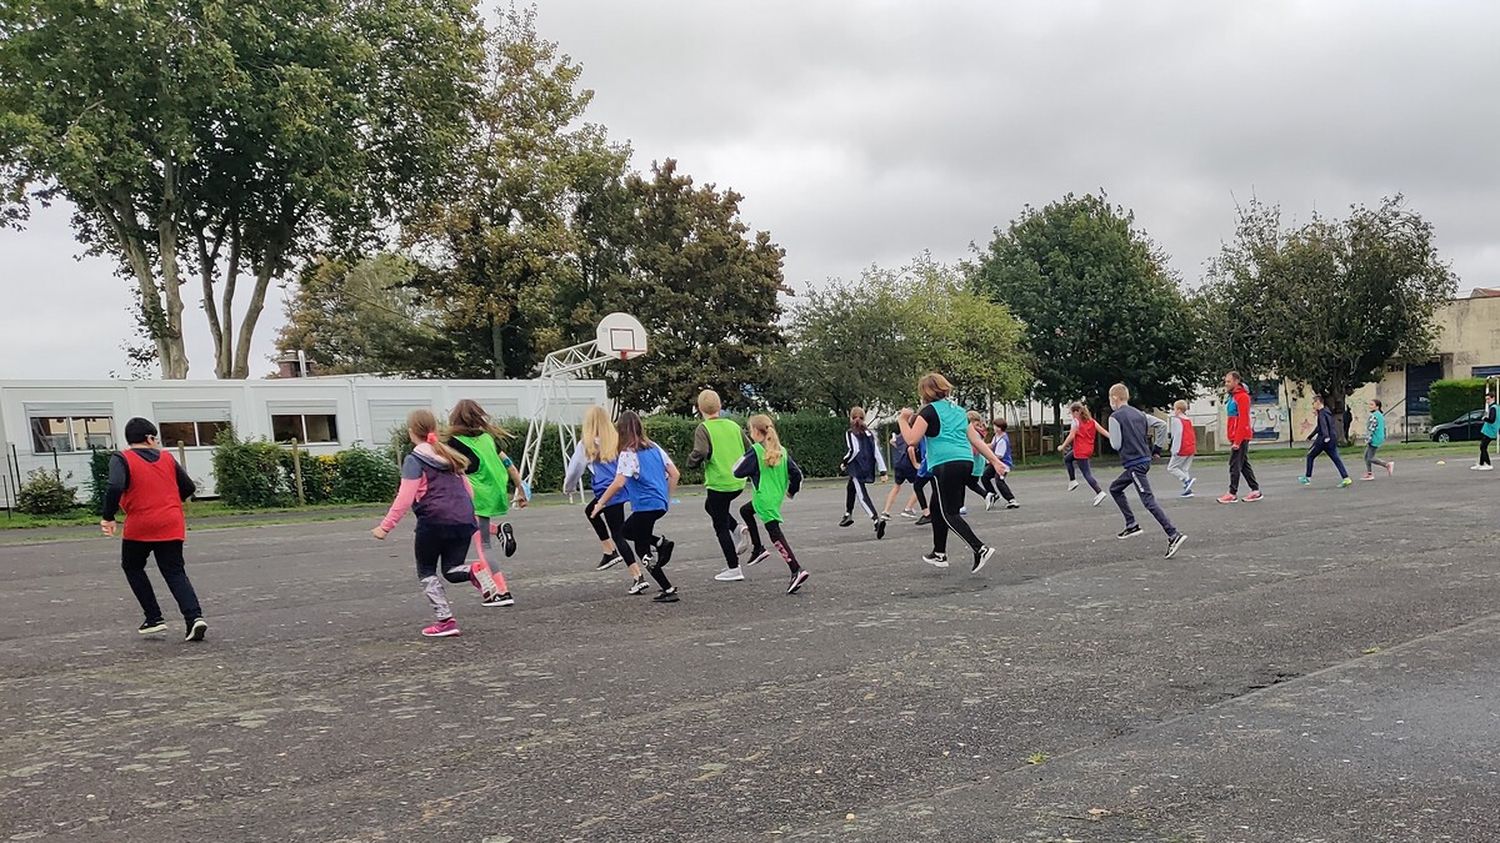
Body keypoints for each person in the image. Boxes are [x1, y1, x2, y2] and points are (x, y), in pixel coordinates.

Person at [373, 409, 504, 639]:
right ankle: (475, 570)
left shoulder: (415, 460)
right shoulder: (449, 456)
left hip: (434, 521)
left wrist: (385, 526)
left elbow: (405, 497)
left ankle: (446, 621)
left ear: (411, 432)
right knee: (452, 570)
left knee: (426, 571)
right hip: (463, 520)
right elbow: (469, 492)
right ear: (434, 429)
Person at [100, 417, 207, 642]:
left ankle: (154, 618)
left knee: (132, 566)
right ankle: (194, 618)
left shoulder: (122, 458)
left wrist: (108, 516)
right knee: (174, 571)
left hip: (141, 522)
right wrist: (167, 502)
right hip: (171, 521)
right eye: (156, 438)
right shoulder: (167, 458)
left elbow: (115, 485)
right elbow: (188, 486)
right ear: (149, 438)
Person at [896, 373, 1007, 573]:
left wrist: (903, 420)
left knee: (949, 513)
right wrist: (994, 460)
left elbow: (911, 439)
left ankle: (979, 548)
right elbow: (976, 440)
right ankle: (939, 553)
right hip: (965, 462)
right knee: (936, 506)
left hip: (945, 463)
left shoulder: (928, 412)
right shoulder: (959, 411)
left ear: (925, 392)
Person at [592, 411, 680, 602]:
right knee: (627, 531)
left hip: (644, 505)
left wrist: (600, 503)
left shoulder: (628, 453)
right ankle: (659, 543)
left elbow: (618, 482)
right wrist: (667, 497)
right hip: (659, 503)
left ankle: (668, 588)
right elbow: (674, 473)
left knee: (641, 549)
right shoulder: (654, 447)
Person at [564, 405, 650, 594]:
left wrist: (568, 488)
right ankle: (608, 551)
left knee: (618, 533)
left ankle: (636, 575)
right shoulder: (617, 440)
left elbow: (574, 469)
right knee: (591, 512)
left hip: (607, 491)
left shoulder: (586, 444)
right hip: (620, 488)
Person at [447, 399, 523, 607]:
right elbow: (508, 464)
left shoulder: (453, 442)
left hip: (475, 494)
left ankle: (502, 591)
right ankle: (499, 529)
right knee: (471, 525)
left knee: (483, 545)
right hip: (495, 490)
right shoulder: (488, 438)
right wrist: (521, 488)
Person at [1102, 385, 1188, 558]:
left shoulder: (1115, 417)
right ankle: (1131, 524)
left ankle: (1173, 534)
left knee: (1148, 501)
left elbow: (1116, 445)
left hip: (1134, 463)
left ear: (1115, 397)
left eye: (1111, 398)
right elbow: (1162, 425)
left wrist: (1114, 435)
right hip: (1144, 460)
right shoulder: (1139, 414)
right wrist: (1156, 449)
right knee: (1115, 488)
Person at [733, 415, 811, 595]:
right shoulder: (781, 451)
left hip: (763, 499)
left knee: (776, 535)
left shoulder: (756, 451)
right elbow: (797, 474)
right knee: (745, 510)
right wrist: (791, 491)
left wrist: (743, 459)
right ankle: (758, 548)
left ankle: (795, 569)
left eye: (750, 430)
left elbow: (737, 471)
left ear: (754, 431)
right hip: (774, 498)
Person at [685, 389, 753, 582]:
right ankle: (738, 528)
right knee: (711, 507)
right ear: (720, 405)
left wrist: (691, 462)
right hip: (737, 481)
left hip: (719, 483)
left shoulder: (704, 428)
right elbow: (750, 449)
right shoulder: (733, 426)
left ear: (699, 408)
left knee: (719, 524)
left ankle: (734, 567)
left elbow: (700, 451)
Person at [839, 406, 888, 539]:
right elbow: (876, 452)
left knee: (862, 496)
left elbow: (854, 450)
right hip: (868, 467)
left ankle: (876, 520)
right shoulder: (869, 433)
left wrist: (844, 462)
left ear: (851, 418)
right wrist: (883, 471)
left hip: (857, 467)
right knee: (851, 487)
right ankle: (848, 514)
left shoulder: (851, 432)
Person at [1218, 371, 1264, 504]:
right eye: (1225, 381)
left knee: (1234, 464)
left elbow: (1243, 420)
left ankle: (1232, 493)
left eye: (1228, 381)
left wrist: (1237, 441)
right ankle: (1255, 490)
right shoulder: (1232, 397)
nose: (1226, 384)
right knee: (1243, 464)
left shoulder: (1242, 397)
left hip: (1241, 436)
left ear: (1236, 381)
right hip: (1236, 436)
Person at [1056, 403, 1107, 506]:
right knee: (1067, 459)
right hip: (1088, 449)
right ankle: (1072, 480)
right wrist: (1114, 438)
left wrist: (1063, 446)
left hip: (1080, 451)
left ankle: (1099, 492)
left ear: (1076, 412)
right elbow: (1103, 431)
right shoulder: (1092, 421)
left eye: (1072, 413)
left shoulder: (1076, 422)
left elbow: (1071, 435)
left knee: (1087, 474)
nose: (1072, 416)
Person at [1299, 395, 1352, 488]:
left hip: (1324, 440)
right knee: (1336, 458)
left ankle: (1307, 477)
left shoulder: (1322, 413)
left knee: (1310, 456)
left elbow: (1323, 426)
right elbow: (1320, 427)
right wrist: (1311, 436)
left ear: (1318, 402)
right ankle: (1346, 478)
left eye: (1313, 403)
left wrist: (1326, 436)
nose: (1313, 405)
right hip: (1331, 439)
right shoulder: (1327, 411)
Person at [882, 428, 929, 522]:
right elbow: (911, 449)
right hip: (909, 464)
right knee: (918, 486)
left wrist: (900, 448)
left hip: (900, 463)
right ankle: (908, 509)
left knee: (896, 487)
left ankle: (886, 512)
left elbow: (892, 441)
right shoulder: (917, 434)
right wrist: (915, 463)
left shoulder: (905, 433)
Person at [984, 417, 1019, 510]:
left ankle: (1011, 500)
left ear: (1000, 428)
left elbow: (999, 455)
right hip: (996, 463)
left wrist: (987, 458)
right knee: (985, 477)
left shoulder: (1003, 440)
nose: (994, 428)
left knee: (999, 481)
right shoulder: (996, 436)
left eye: (995, 426)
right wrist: (981, 446)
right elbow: (991, 445)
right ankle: (993, 495)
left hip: (1003, 464)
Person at [1166, 400, 1197, 498]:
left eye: (1174, 409)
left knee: (1171, 467)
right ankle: (1187, 489)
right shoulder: (1188, 420)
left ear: (1178, 410)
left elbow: (1177, 435)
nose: (1173, 411)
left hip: (1182, 448)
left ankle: (1186, 481)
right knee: (1184, 468)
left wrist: (1174, 449)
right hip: (1190, 447)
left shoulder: (1177, 420)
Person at [1362, 399, 1394, 481]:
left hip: (1374, 438)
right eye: (1370, 404)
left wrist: (1368, 439)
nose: (1370, 406)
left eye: (1372, 405)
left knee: (1370, 457)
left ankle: (1387, 464)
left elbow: (1371, 429)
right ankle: (1369, 473)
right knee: (1366, 456)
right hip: (1378, 437)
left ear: (1377, 406)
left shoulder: (1374, 416)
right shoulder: (1380, 415)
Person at [1474, 393, 1498, 471]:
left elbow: (1492, 420)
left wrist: (1485, 418)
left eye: (1488, 399)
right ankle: (1481, 464)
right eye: (1486, 399)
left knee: (1483, 446)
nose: (1487, 401)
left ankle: (1488, 464)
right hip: (1489, 430)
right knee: (1483, 446)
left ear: (1493, 398)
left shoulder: (1494, 408)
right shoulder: (1495, 407)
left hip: (1491, 430)